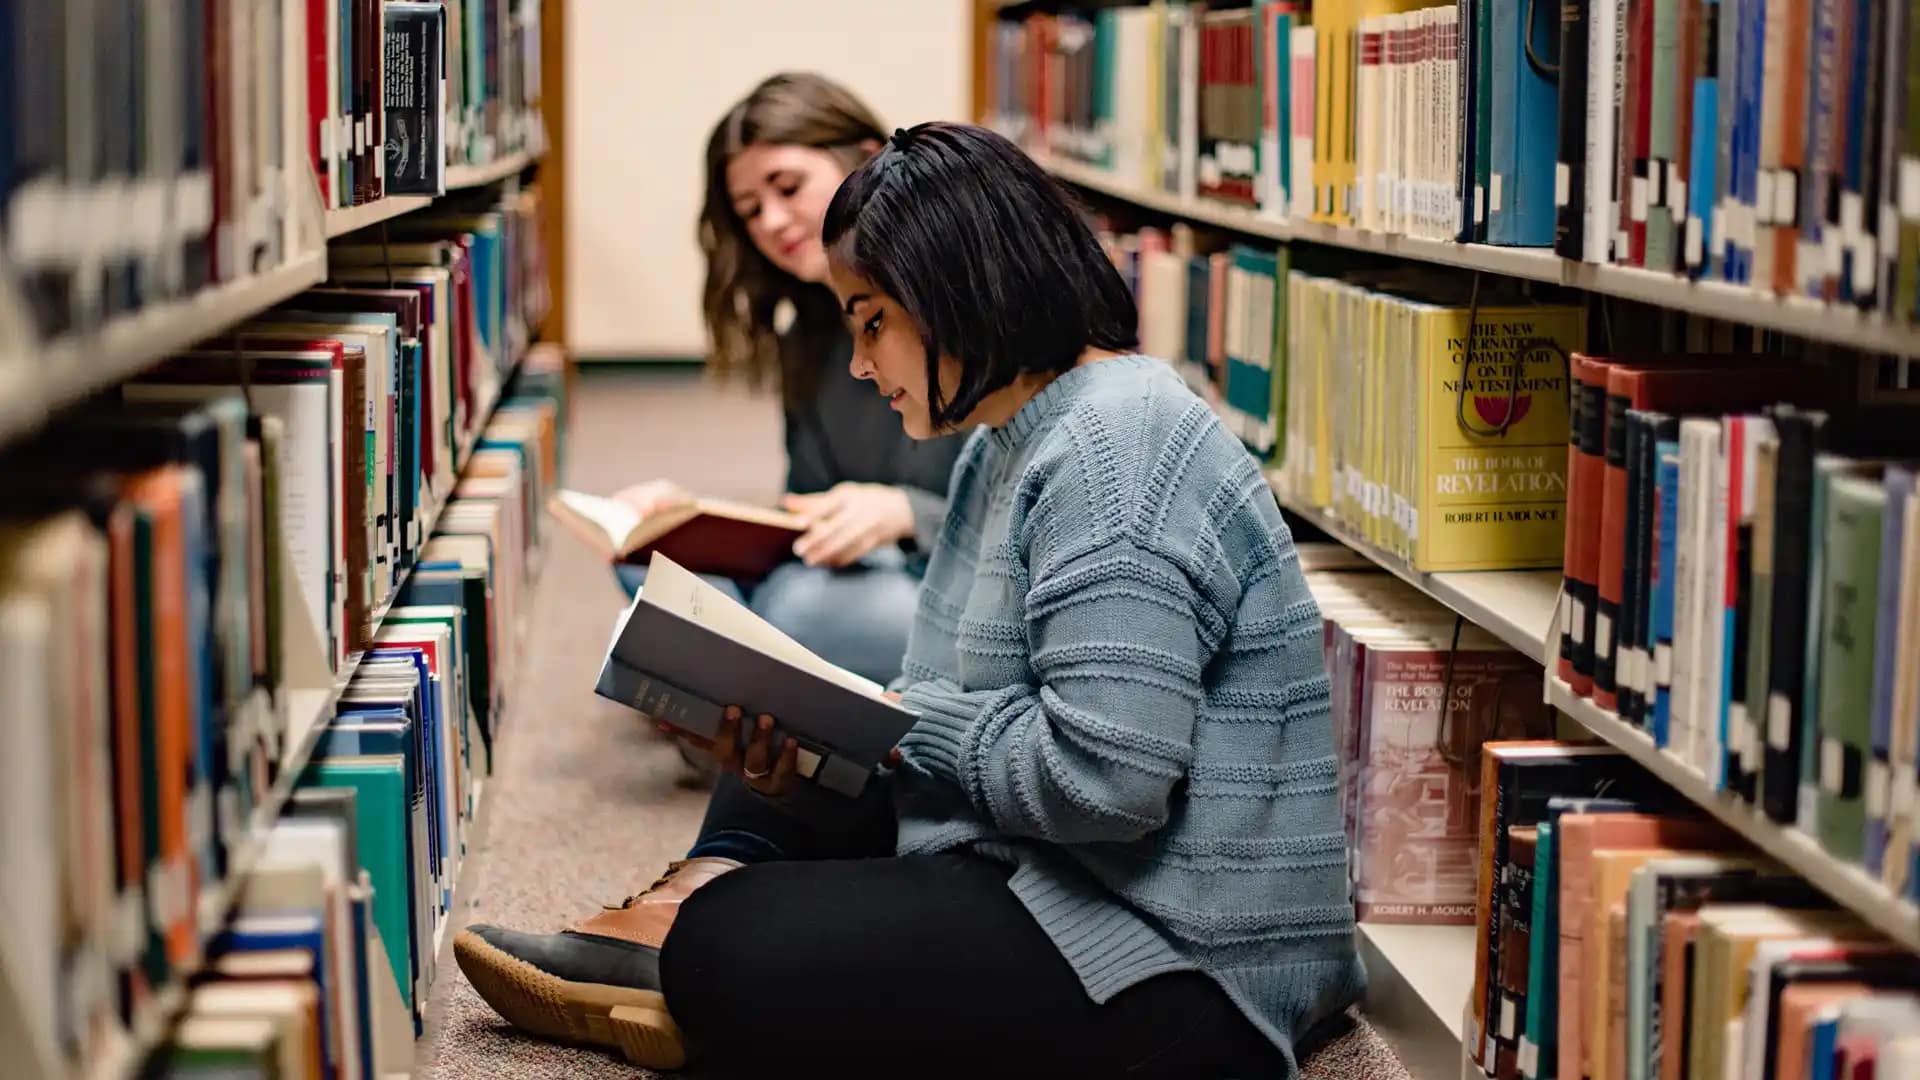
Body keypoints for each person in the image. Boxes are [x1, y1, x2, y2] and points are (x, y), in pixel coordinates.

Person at [455, 122, 1364, 1079]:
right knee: (778, 766)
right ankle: (667, 946)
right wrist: (816, 745)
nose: (859, 362)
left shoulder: (1115, 454)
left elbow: (1109, 783)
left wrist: (905, 721)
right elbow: (971, 714)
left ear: (955, 296)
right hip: (1050, 862)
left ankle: (674, 956)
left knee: (730, 943)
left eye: (872, 321)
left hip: (1177, 950)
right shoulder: (1006, 440)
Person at [610, 72, 966, 685]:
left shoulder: (959, 303)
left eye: (788, 187)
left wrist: (907, 513)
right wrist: (695, 520)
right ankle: (756, 677)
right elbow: (808, 502)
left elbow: (1029, 525)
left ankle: (734, 679)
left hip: (957, 584)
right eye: (750, 211)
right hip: (855, 571)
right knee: (650, 565)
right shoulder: (807, 332)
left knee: (794, 609)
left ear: (862, 160)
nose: (772, 221)